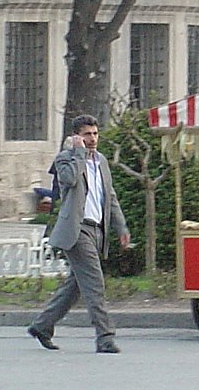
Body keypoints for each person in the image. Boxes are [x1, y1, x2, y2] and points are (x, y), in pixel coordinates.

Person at [28, 114, 130, 353]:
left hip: (97, 229)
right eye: (87, 134)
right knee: (95, 284)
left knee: (75, 286)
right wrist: (79, 153)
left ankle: (42, 325)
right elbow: (69, 180)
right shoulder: (65, 159)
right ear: (76, 137)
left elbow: (110, 197)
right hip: (77, 229)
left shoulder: (102, 161)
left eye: (95, 134)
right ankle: (105, 337)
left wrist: (121, 227)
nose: (93, 139)